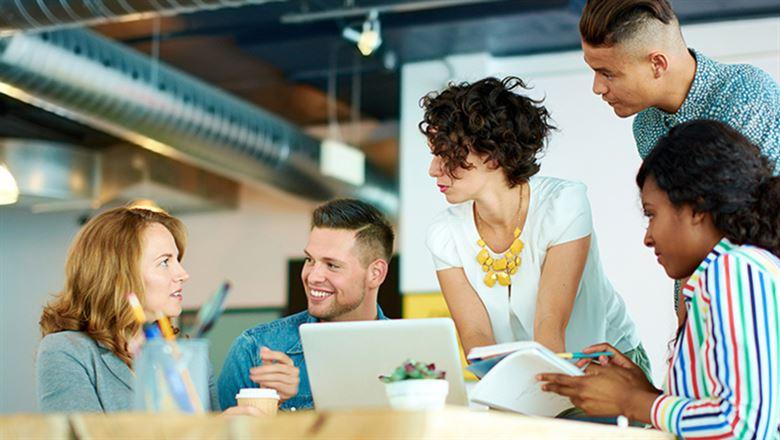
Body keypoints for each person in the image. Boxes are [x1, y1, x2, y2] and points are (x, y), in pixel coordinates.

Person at [539, 120, 780, 438]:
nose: (648, 237)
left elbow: (744, 426)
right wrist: (648, 394)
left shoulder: (736, 271)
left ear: (697, 208)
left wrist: (631, 401)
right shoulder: (726, 274)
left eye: (651, 214)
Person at [422, 77, 646, 378]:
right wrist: (505, 390)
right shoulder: (445, 233)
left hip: (604, 369)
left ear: (492, 154)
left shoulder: (563, 204)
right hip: (525, 378)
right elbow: (475, 336)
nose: (433, 169)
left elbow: (550, 327)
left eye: (444, 154)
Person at [578, 0, 780, 323]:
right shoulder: (646, 127)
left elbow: (744, 230)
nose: (598, 87)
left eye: (607, 73)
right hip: (698, 314)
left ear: (657, 63)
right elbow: (682, 233)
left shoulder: (746, 95)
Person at [36, 207, 221, 412]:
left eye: (178, 260)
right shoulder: (66, 351)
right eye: (165, 262)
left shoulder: (188, 358)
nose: (183, 274)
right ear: (119, 275)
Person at [218, 198, 394, 411]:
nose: (312, 276)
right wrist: (272, 407)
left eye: (332, 265)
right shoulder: (254, 349)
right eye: (310, 260)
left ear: (376, 274)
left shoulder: (411, 356)